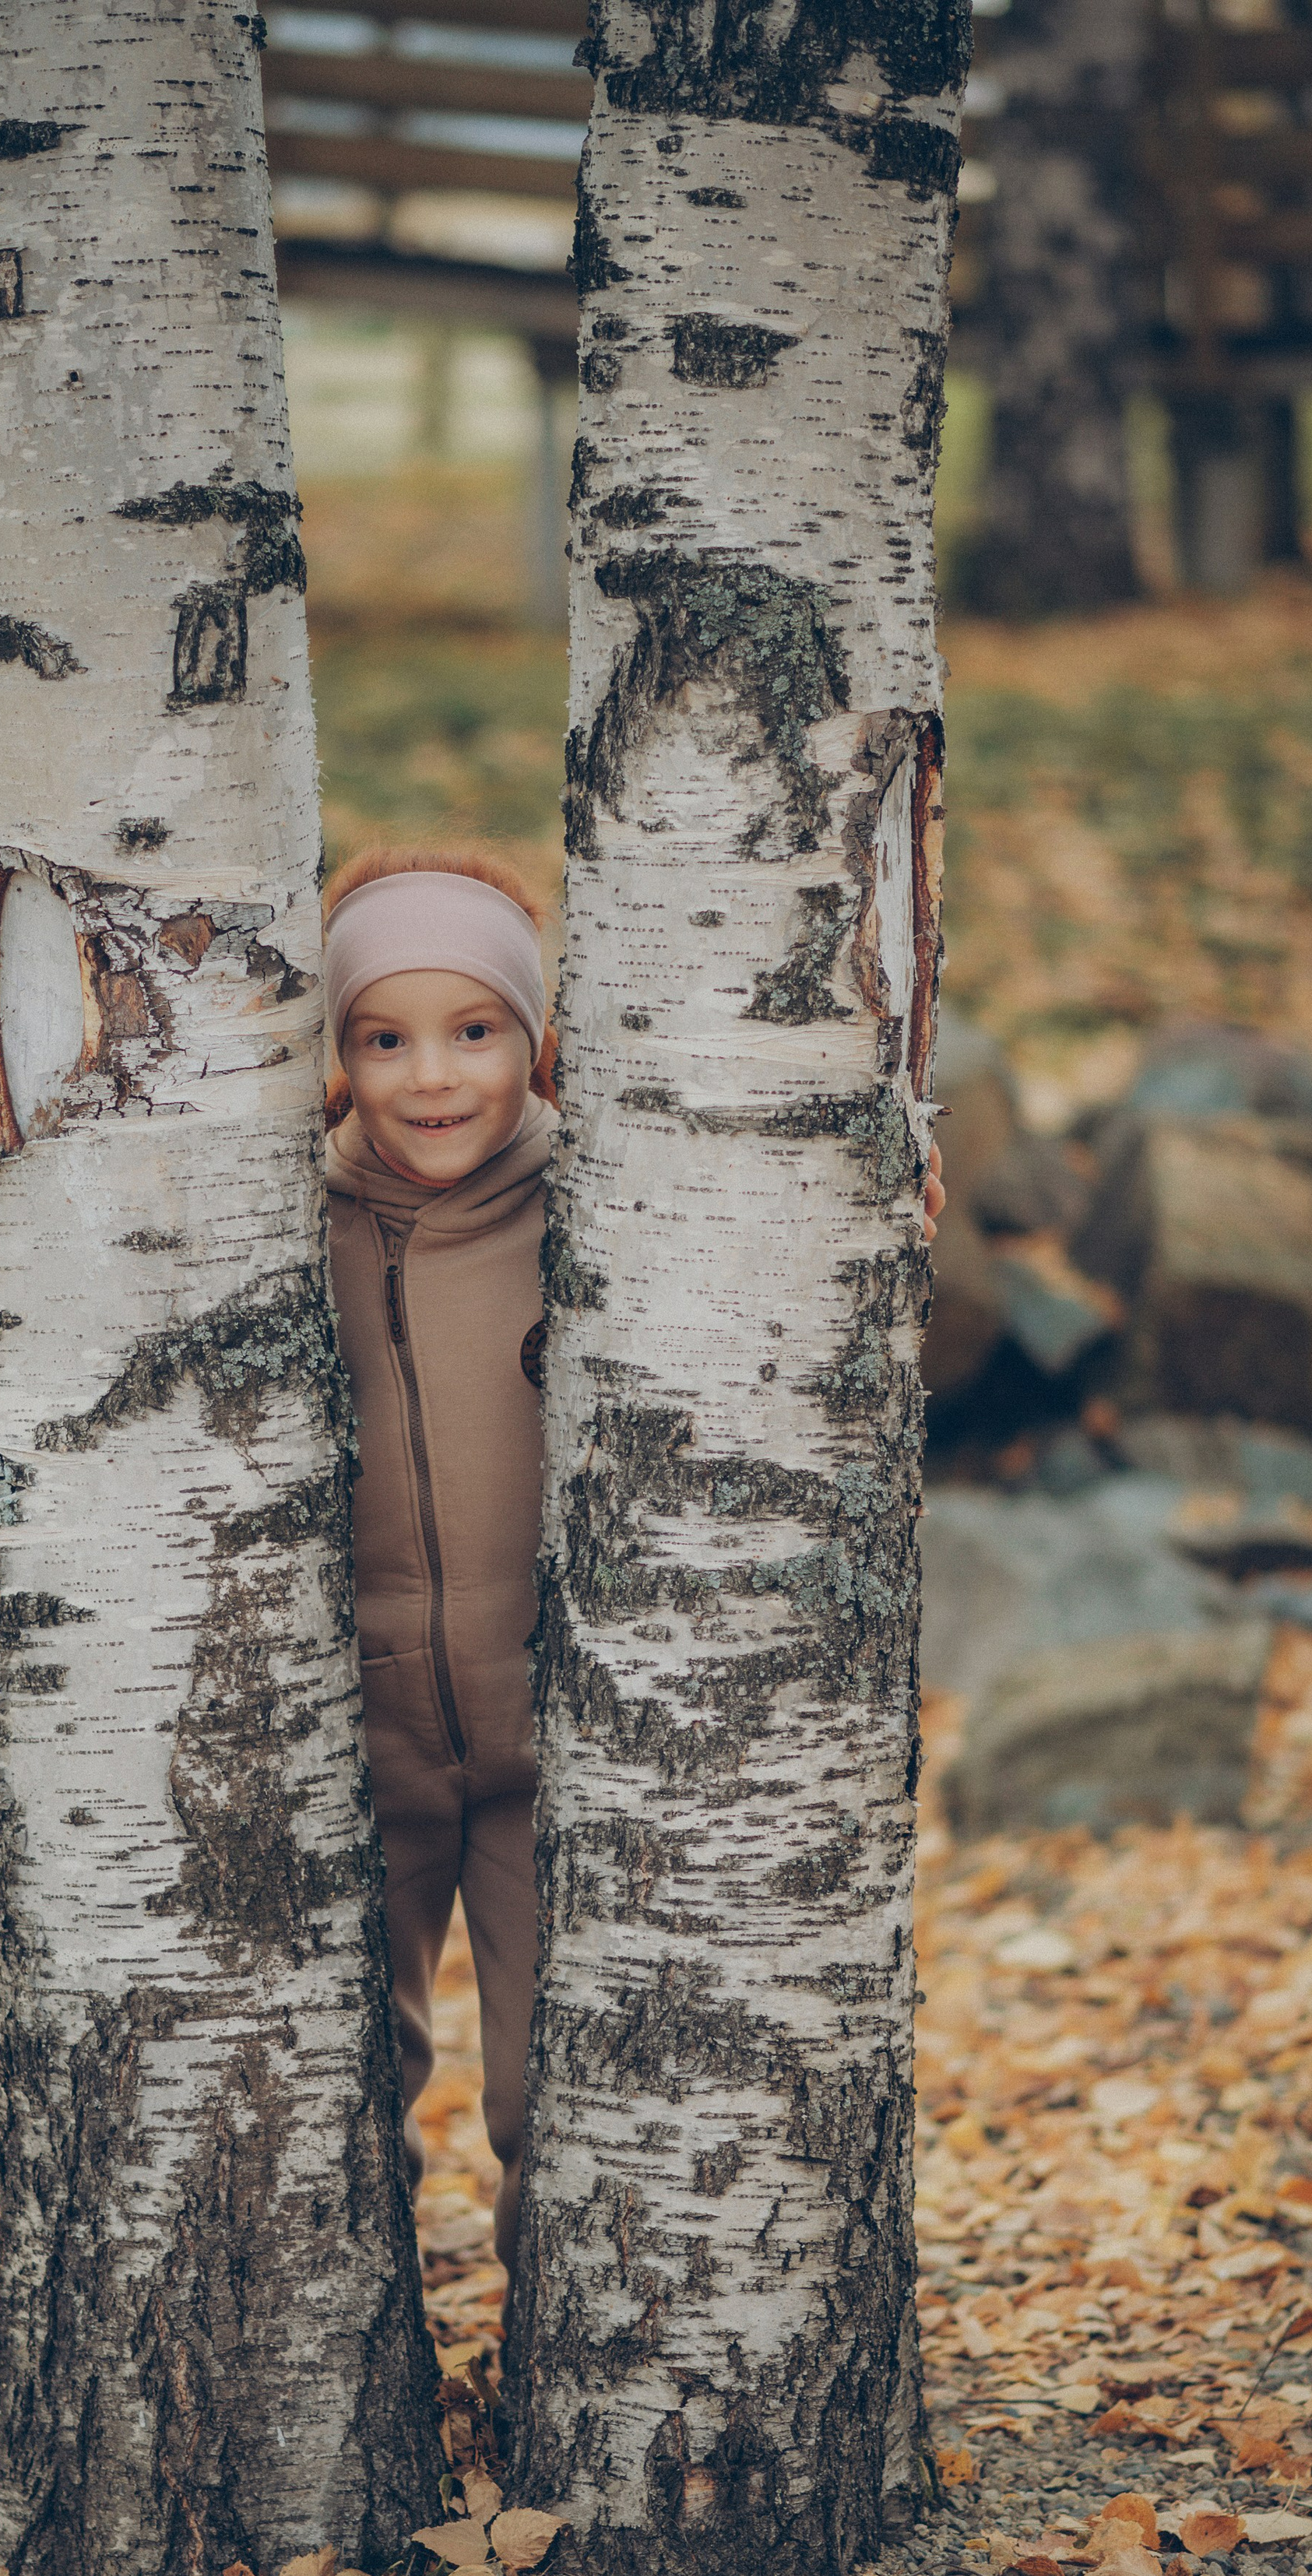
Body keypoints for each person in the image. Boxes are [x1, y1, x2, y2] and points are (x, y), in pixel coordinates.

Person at [321, 842, 944, 2293]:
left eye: (475, 1032)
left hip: (564, 1742)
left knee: (567, 2090)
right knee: (343, 2085)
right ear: (339, 1055)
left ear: (537, 1040)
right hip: (351, 1741)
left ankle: (568, 2373)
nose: (432, 1077)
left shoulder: (604, 1210)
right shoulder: (286, 1223)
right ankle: (351, 2402)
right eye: (385, 1037)